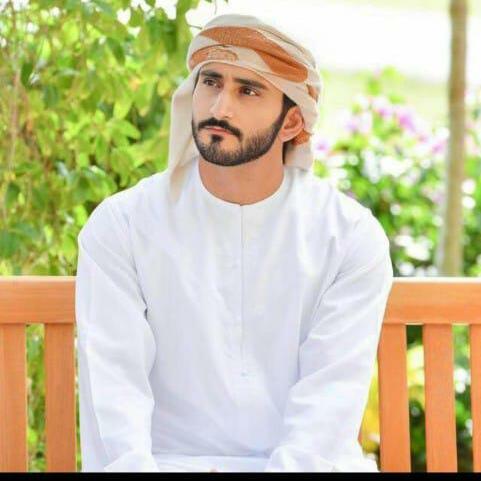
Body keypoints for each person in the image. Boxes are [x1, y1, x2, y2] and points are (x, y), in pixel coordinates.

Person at [75, 13, 394, 473]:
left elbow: (328, 405)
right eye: (211, 83)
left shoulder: (348, 237)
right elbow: (114, 395)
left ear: (292, 122)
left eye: (248, 90)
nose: (220, 107)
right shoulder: (122, 225)